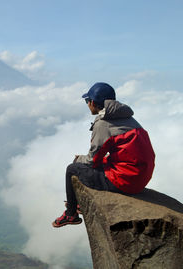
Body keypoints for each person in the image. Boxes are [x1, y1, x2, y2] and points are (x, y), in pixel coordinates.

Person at [52, 82, 155, 228]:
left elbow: (92, 161)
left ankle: (70, 214)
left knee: (73, 168)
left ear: (93, 103)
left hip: (126, 181)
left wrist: (79, 158)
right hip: (140, 176)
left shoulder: (103, 124)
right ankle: (78, 204)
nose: (87, 104)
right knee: (101, 162)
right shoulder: (127, 118)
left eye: (87, 101)